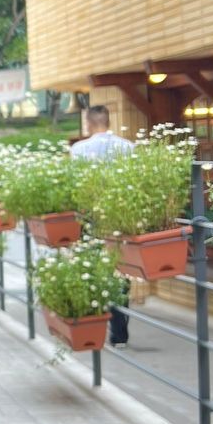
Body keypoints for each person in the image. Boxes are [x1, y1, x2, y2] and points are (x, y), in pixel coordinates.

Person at [71, 104, 134, 345]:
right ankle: (120, 333)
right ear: (108, 122)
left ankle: (97, 326)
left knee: (93, 268)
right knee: (120, 271)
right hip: (121, 217)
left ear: (88, 123)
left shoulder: (79, 150)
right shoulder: (128, 147)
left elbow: (76, 185)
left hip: (91, 217)